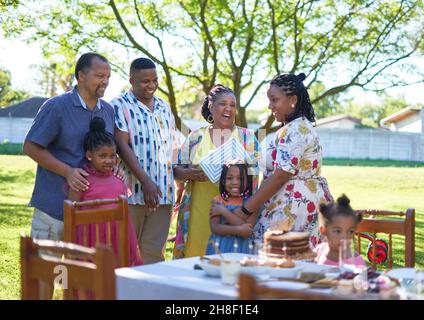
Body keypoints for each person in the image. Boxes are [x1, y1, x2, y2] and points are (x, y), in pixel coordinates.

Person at [233, 73, 333, 248]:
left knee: (281, 262)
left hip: (292, 208)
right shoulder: (295, 127)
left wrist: (245, 210)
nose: (270, 105)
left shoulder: (296, 130)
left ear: (293, 100)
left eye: (274, 100)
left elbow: (281, 175)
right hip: (289, 203)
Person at [23, 52, 114, 240]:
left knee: (81, 270)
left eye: (108, 77)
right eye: (100, 76)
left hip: (90, 214)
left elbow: (107, 150)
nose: (105, 81)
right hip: (53, 209)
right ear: (81, 75)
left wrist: (116, 167)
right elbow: (30, 147)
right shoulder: (56, 106)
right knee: (48, 269)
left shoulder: (108, 111)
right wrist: (68, 171)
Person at [173, 84, 259, 259]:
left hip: (234, 214)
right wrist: (190, 174)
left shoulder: (247, 137)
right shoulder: (196, 136)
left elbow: (255, 179)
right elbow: (176, 169)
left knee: (229, 262)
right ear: (211, 107)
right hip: (199, 212)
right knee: (195, 262)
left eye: (232, 105)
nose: (228, 108)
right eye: (223, 104)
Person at [112, 57, 177, 264]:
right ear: (131, 80)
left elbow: (170, 146)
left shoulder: (164, 107)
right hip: (132, 193)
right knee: (124, 253)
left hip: (163, 193)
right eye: (145, 81)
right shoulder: (118, 106)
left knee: (154, 254)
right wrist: (146, 182)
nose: (151, 85)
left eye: (154, 80)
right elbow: (122, 146)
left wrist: (181, 173)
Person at [67, 117, 142, 266]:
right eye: (102, 156)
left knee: (114, 274)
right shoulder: (83, 179)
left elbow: (125, 215)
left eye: (112, 156)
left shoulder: (119, 178)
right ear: (89, 155)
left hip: (116, 237)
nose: (109, 160)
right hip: (90, 239)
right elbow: (71, 211)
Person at [205, 160, 256, 255]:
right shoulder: (217, 200)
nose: (235, 182)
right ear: (223, 181)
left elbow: (248, 230)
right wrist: (239, 230)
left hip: (241, 248)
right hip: (219, 247)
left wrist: (224, 212)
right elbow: (215, 227)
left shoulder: (251, 202)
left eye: (240, 178)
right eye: (229, 178)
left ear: (248, 180)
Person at [314, 194, 366, 267]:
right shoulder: (319, 251)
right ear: (323, 230)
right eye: (338, 231)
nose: (345, 236)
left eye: (350, 231)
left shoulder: (357, 263)